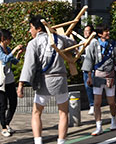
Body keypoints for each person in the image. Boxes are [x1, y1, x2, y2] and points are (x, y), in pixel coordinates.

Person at [18, 15, 76, 144]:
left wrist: (21, 84)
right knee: (63, 113)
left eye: (31, 28)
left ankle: (38, 141)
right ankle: (61, 142)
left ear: (38, 29)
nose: (29, 31)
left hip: (45, 80)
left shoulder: (33, 43)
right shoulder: (59, 39)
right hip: (61, 79)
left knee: (36, 112)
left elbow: (29, 65)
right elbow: (73, 43)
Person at [82, 25, 116, 136]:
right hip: (98, 75)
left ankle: (113, 120)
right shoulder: (93, 44)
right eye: (105, 31)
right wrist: (89, 77)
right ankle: (99, 126)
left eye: (108, 30)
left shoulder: (114, 44)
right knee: (97, 103)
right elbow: (89, 61)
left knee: (111, 101)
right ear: (100, 34)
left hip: (110, 75)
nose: (108, 33)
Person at [0, 29, 23, 137]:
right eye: (9, 38)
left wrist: (18, 54)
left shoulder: (8, 49)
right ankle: (3, 127)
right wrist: (14, 50)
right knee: (3, 104)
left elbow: (14, 62)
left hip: (9, 80)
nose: (10, 40)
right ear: (3, 39)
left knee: (13, 102)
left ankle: (7, 122)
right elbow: (5, 59)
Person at [81, 25, 95, 115]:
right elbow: (78, 53)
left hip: (93, 69)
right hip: (85, 68)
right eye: (85, 31)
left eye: (88, 31)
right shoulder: (82, 41)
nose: (86, 32)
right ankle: (92, 105)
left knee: (93, 87)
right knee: (87, 87)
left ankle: (94, 105)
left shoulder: (94, 42)